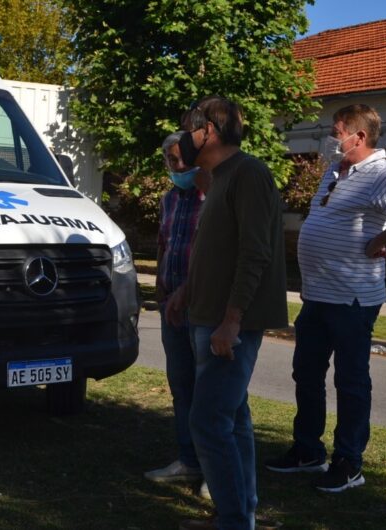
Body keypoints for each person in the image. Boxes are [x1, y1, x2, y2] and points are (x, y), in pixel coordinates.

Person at [265, 104, 386, 493]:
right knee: (306, 375)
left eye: (336, 130)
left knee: (351, 381)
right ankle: (308, 451)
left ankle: (349, 463)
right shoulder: (336, 170)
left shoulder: (383, 173)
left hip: (353, 298)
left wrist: (381, 239)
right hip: (317, 296)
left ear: (358, 137)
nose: (330, 137)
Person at [167, 96, 288, 530]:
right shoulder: (219, 177)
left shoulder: (249, 174)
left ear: (210, 132)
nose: (184, 136)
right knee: (232, 417)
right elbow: (216, 248)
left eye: (189, 127)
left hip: (231, 323)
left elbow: (255, 253)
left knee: (209, 418)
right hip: (206, 313)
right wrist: (186, 288)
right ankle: (240, 513)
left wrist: (233, 319)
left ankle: (235, 520)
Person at [143, 132, 210, 500]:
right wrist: (159, 285)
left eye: (183, 159)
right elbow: (164, 243)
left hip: (202, 306)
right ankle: (188, 459)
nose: (178, 166)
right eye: (171, 160)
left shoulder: (213, 197)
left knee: (209, 393)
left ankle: (214, 470)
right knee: (182, 389)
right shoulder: (170, 199)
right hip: (171, 307)